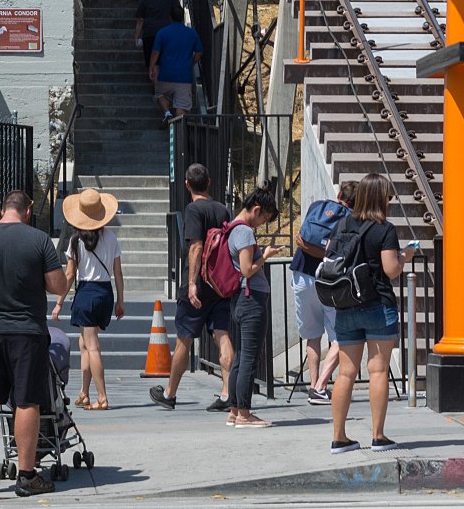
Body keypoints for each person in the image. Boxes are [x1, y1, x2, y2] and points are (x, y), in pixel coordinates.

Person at [0, 190, 68, 498]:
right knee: (27, 401)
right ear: (28, 211)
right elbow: (58, 285)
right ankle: (26, 475)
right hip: (27, 332)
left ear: (3, 209)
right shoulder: (38, 240)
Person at [330, 172, 417, 455]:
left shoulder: (342, 224)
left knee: (346, 373)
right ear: (381, 198)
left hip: (346, 303)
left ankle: (339, 437)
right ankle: (378, 436)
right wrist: (405, 256)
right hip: (377, 304)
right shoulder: (385, 229)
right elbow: (391, 270)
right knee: (378, 370)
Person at [150, 163, 234, 413]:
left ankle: (170, 393)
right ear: (208, 182)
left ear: (187, 184)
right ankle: (229, 392)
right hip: (220, 284)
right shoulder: (223, 210)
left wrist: (192, 283)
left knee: (184, 339)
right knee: (222, 335)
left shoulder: (193, 210)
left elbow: (196, 246)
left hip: (198, 284)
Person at [51, 189, 125, 410]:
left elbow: (70, 275)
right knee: (83, 343)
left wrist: (59, 302)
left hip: (86, 294)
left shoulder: (76, 241)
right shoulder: (111, 237)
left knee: (92, 346)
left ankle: (102, 397)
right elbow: (118, 273)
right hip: (105, 293)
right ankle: (84, 392)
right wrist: (121, 300)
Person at [291, 181, 354, 404]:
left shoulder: (317, 205)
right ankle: (320, 387)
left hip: (301, 273)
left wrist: (307, 248)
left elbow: (301, 239)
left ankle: (314, 385)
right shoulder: (350, 219)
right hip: (330, 280)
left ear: (338, 195)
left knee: (312, 336)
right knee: (340, 336)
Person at [225, 185, 282, 428]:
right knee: (249, 358)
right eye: (264, 218)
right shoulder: (245, 232)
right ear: (256, 210)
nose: (262, 223)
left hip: (239, 300)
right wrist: (266, 255)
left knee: (241, 357)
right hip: (251, 299)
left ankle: (235, 409)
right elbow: (247, 270)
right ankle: (244, 414)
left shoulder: (231, 228)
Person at [149, 3, 203, 122]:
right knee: (181, 107)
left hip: (166, 74)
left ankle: (167, 112)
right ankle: (179, 132)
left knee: (159, 93)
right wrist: (191, 63)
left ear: (170, 17)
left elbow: (155, 52)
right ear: (183, 17)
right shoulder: (191, 33)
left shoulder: (162, 32)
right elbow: (199, 53)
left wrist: (151, 67)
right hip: (184, 76)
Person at [134, 0, 181, 72]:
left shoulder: (145, 0)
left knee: (154, 63)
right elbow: (178, 15)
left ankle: (156, 83)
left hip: (149, 34)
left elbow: (140, 20)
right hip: (168, 33)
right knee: (166, 60)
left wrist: (137, 37)